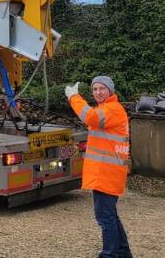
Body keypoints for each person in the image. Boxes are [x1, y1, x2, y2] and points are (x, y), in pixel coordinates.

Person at [65, 76, 132, 258]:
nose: (98, 92)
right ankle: (124, 253)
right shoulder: (108, 109)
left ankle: (109, 254)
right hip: (107, 172)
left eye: (102, 88)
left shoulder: (111, 110)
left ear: (110, 90)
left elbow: (90, 117)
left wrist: (74, 97)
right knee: (110, 216)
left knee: (105, 218)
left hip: (106, 173)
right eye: (95, 89)